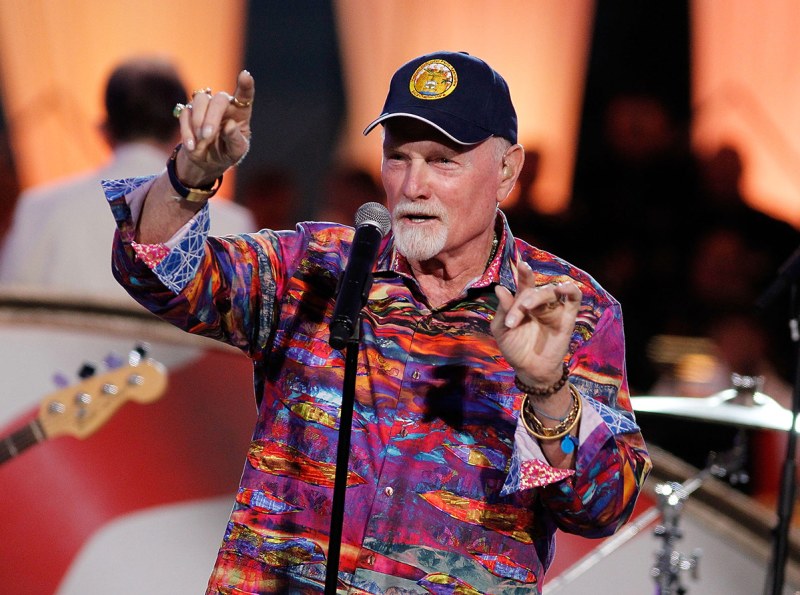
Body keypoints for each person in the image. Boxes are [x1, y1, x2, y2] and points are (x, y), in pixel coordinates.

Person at [104, 51, 651, 593]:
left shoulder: (569, 311)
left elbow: (602, 508)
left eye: (442, 160)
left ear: (507, 169)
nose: (412, 186)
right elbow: (157, 271)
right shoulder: (317, 269)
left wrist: (547, 389)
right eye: (398, 157)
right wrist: (187, 178)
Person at [0, 55, 256, 303]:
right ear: (181, 128)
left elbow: (11, 315)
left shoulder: (40, 208)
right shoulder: (233, 225)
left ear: (104, 130)